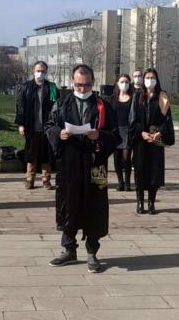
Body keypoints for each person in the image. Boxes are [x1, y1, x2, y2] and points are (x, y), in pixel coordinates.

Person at [45, 63, 119, 273]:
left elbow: (115, 136)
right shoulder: (61, 103)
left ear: (92, 83)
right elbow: (49, 126)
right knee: (68, 204)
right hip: (69, 163)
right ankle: (69, 248)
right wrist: (59, 134)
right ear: (72, 82)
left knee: (94, 206)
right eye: (78, 85)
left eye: (86, 85)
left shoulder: (103, 106)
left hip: (95, 163)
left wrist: (100, 136)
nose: (82, 89)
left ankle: (92, 252)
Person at [129, 68, 171, 215]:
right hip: (141, 139)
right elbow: (132, 119)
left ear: (157, 79)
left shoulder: (162, 96)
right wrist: (141, 132)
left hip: (156, 140)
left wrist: (159, 133)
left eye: (152, 77)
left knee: (155, 171)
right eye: (147, 77)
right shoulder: (138, 96)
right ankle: (140, 202)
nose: (149, 80)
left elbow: (167, 119)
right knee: (140, 171)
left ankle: (151, 202)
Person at [15, 61, 59, 190]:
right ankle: (30, 179)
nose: (40, 73)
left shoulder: (51, 87)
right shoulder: (26, 87)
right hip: (31, 126)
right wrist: (21, 124)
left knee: (47, 153)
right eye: (38, 70)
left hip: (47, 127)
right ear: (33, 71)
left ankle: (46, 180)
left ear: (46, 72)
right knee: (31, 153)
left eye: (43, 71)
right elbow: (20, 107)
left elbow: (57, 107)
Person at [110, 74, 134, 191]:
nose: (124, 84)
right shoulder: (113, 99)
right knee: (116, 158)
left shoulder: (133, 98)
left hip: (127, 131)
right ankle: (120, 182)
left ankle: (128, 182)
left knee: (126, 158)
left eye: (126, 81)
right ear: (117, 83)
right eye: (122, 81)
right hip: (116, 131)